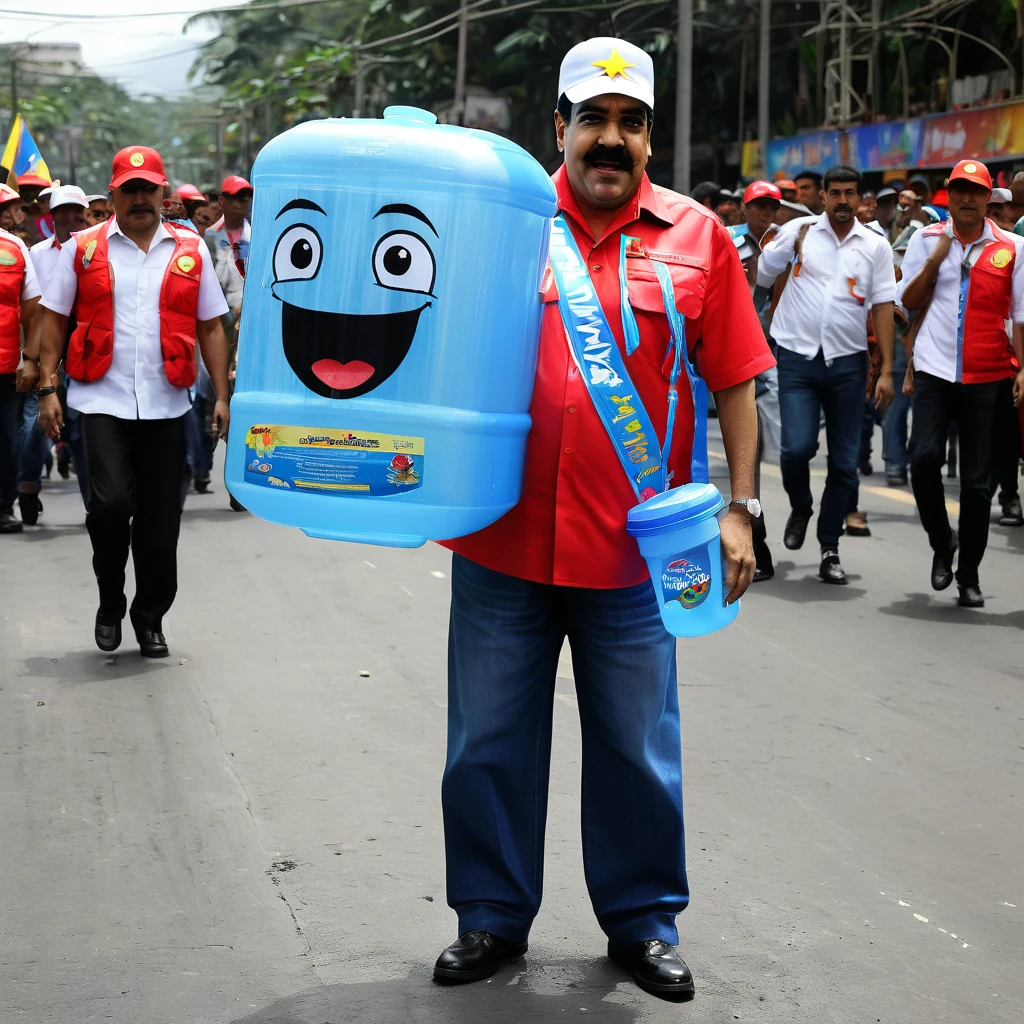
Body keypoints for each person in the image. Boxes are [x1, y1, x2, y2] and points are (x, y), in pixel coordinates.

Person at [432, 36, 773, 1001]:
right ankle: (491, 918)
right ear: (560, 128)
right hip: (500, 540)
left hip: (639, 556)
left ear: (650, 139)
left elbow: (739, 379)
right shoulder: (504, 221)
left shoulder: (699, 237)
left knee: (637, 748)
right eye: (594, 120)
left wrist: (743, 508)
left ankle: (642, 922)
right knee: (486, 741)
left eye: (631, 124)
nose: (611, 140)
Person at [35, 146, 232, 656]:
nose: (141, 198)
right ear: (115, 193)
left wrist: (222, 396)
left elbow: (211, 325)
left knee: (161, 521)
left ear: (163, 194)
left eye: (150, 189)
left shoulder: (189, 249)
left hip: (169, 402)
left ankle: (150, 616)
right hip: (101, 399)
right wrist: (48, 389)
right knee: (110, 506)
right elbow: (53, 320)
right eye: (131, 189)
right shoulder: (82, 248)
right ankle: (109, 599)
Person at [757, 165, 897, 583]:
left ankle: (829, 547)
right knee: (795, 449)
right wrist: (783, 251)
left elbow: (884, 306)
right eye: (834, 193)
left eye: (849, 194)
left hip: (848, 364)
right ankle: (801, 506)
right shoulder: (799, 231)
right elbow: (764, 276)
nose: (841, 201)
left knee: (844, 464)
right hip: (797, 357)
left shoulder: (875, 245)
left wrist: (887, 368)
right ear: (822, 196)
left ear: (858, 199)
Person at [899, 159, 1024, 608]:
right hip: (934, 369)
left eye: (976, 191)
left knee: (975, 484)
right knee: (923, 460)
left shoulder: (1012, 247)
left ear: (989, 198)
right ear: (947, 196)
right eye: (959, 191)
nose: (967, 198)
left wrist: (1022, 369)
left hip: (988, 376)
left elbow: (1021, 316)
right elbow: (907, 302)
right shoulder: (925, 238)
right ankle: (941, 542)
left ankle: (968, 573)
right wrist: (936, 260)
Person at [16, 185, 90, 525]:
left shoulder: (98, 251)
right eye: (64, 211)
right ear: (53, 215)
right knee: (36, 426)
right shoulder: (37, 254)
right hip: (46, 350)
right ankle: (28, 488)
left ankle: (97, 504)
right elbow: (34, 310)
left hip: (88, 352)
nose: (71, 218)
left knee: (84, 430)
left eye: (78, 211)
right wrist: (31, 358)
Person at [0, 196, 42, 534]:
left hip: (6, 365)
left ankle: (3, 507)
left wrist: (30, 359)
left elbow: (32, 307)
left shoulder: (15, 248)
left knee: (7, 440)